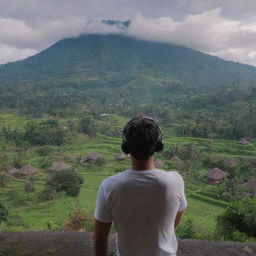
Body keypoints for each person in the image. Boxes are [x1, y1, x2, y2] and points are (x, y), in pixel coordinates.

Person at [94, 116, 187, 256]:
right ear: (158, 145)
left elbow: (100, 240)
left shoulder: (109, 186)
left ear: (125, 146)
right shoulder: (175, 181)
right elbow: (173, 223)